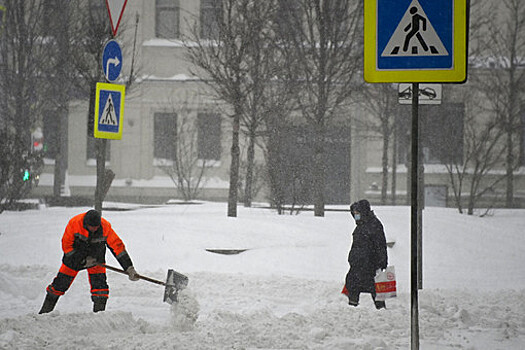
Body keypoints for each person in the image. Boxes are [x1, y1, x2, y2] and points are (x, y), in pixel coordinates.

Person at [38, 209, 140, 314]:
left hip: (96, 260)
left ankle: (98, 317)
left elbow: (118, 247)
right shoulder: (74, 223)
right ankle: (44, 313)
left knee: (100, 289)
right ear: (85, 224)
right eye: (92, 226)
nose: (94, 229)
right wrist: (82, 260)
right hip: (73, 260)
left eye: (96, 227)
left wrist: (129, 268)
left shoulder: (105, 227)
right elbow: (67, 246)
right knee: (58, 286)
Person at [343, 199, 388, 309]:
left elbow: (380, 245)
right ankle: (352, 308)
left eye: (357, 213)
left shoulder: (374, 225)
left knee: (376, 290)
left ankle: (382, 311)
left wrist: (382, 263)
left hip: (370, 265)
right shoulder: (360, 225)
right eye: (354, 214)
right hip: (358, 264)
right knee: (352, 286)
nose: (356, 216)